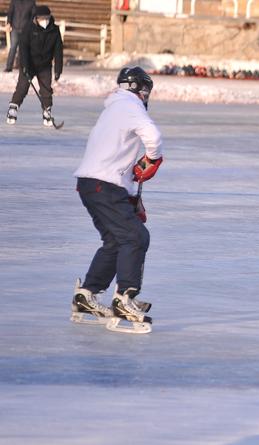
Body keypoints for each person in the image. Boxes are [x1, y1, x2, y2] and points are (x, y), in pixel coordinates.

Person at [71, 66, 163, 334]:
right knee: (136, 238)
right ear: (141, 90)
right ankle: (124, 298)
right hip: (104, 185)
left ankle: (86, 295)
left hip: (91, 185)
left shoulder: (113, 107)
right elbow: (154, 138)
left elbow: (116, 158)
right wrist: (154, 158)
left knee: (115, 240)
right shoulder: (131, 106)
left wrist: (133, 198)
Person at [5, 5, 63, 127]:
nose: (44, 21)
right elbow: (23, 49)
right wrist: (24, 66)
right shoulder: (28, 28)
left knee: (46, 90)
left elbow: (58, 51)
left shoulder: (54, 30)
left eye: (46, 18)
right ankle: (13, 108)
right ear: (36, 18)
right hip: (29, 64)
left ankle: (47, 111)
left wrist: (58, 69)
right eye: (42, 18)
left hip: (45, 65)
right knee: (22, 88)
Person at [4, 0, 36, 72]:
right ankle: (9, 66)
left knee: (23, 48)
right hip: (15, 27)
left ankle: (20, 65)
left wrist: (30, 26)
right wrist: (9, 22)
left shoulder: (31, 2)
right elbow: (10, 12)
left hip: (25, 29)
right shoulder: (14, 1)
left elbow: (33, 15)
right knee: (13, 47)